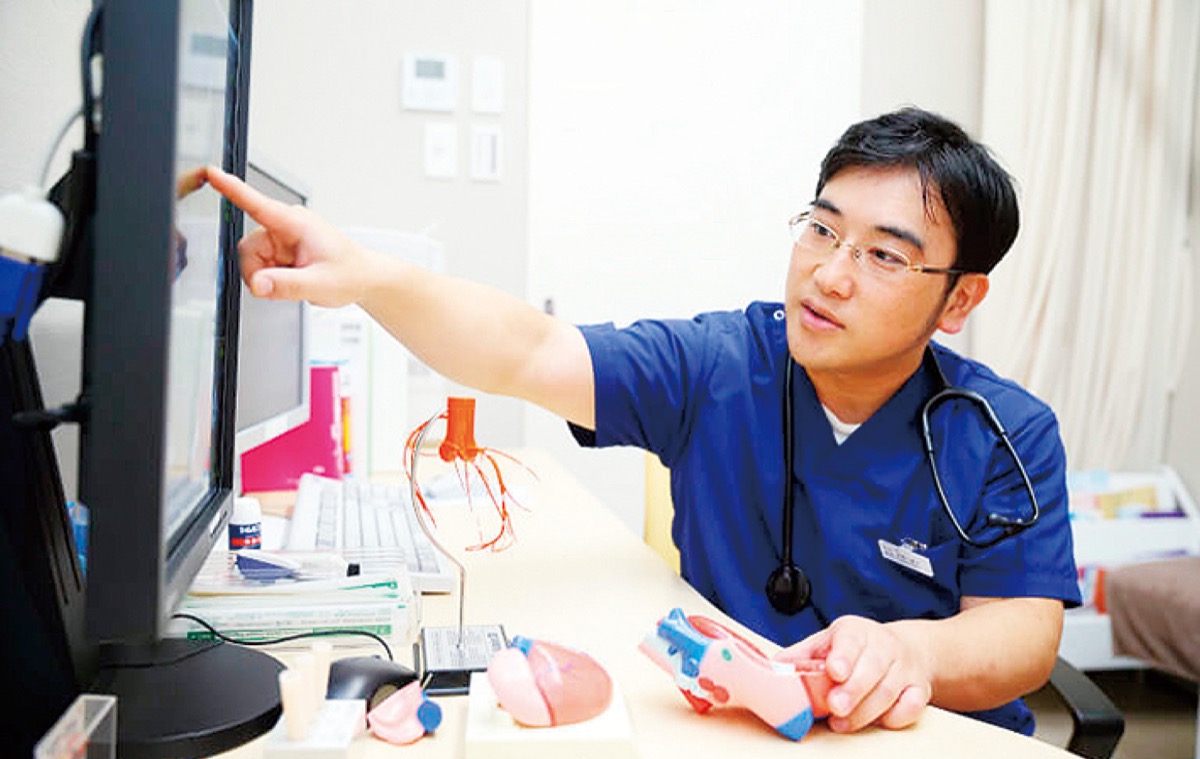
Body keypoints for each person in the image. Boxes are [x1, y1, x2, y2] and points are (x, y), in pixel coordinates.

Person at [204, 107, 1081, 737]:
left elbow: (1023, 634)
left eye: (884, 255)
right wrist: (368, 277)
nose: (830, 274)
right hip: (727, 730)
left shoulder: (1004, 430)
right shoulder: (720, 364)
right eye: (821, 229)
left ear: (958, 300)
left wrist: (911, 654)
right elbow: (529, 350)